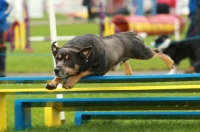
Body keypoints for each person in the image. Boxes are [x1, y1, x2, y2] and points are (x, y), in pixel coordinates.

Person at [0, 0, 10, 77]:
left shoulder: (3, 2)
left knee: (1, 49)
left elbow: (8, 9)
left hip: (1, 29)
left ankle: (2, 72)